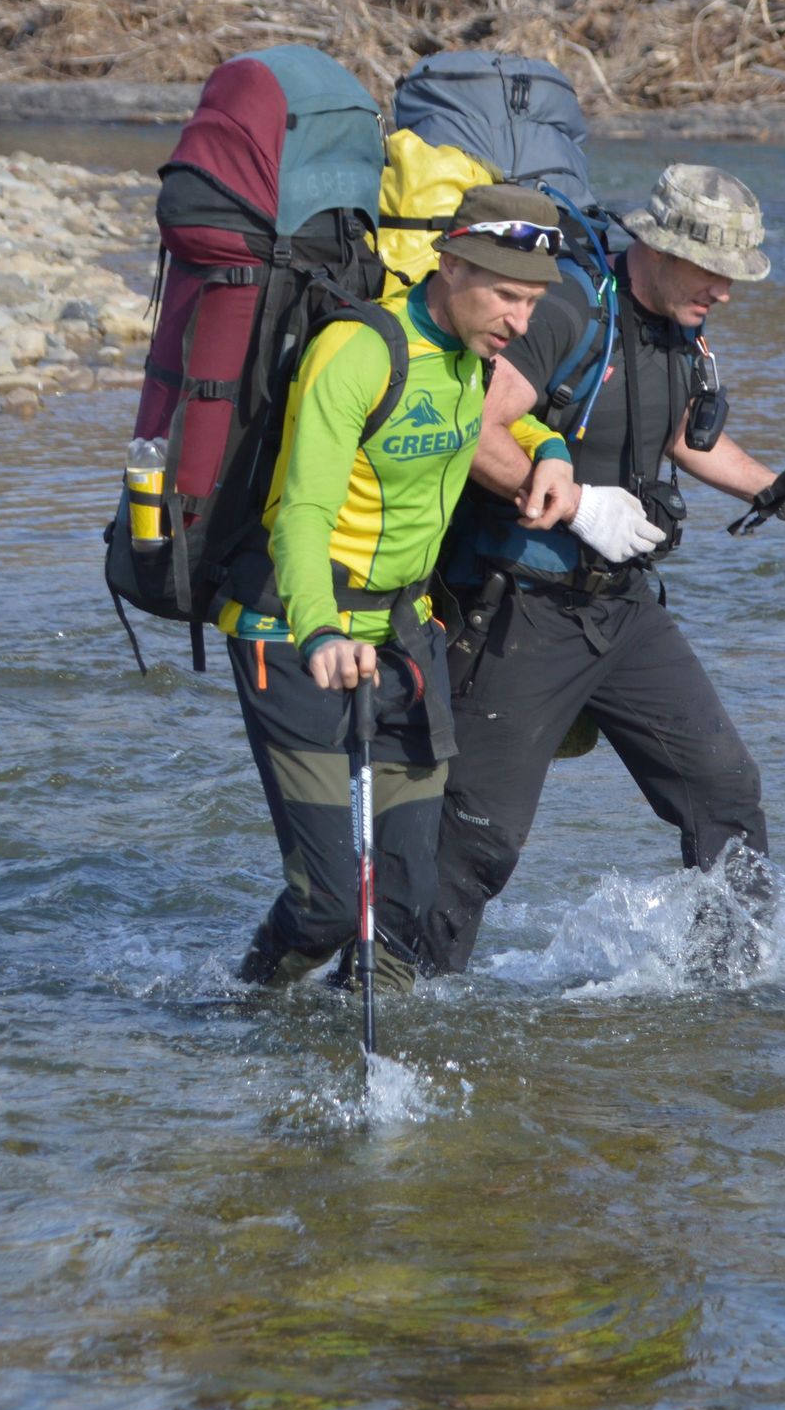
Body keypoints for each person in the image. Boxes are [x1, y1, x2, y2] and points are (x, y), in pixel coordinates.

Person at [412, 164, 785, 976]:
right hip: (522, 609)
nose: (724, 292)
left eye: (733, 276)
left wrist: (784, 493)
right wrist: (578, 504)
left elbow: (685, 440)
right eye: (712, 271)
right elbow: (466, 428)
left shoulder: (679, 334)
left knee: (724, 790)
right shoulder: (564, 313)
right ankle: (397, 995)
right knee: (477, 841)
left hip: (624, 610)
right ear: (654, 248)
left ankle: (730, 984)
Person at [227, 185, 566, 994]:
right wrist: (318, 634)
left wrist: (547, 442)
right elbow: (302, 514)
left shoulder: (468, 356)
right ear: (449, 264)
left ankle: (370, 1087)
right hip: (294, 634)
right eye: (507, 296)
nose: (521, 324)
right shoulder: (358, 351)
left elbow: (489, 421)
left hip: (405, 637)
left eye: (534, 301)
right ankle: (241, 1013)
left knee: (406, 909)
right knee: (331, 906)